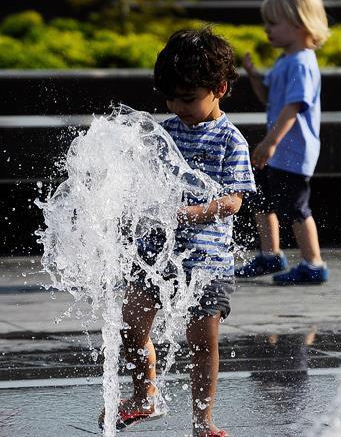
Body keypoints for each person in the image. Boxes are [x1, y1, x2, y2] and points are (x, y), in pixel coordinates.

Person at [99, 28, 256, 437]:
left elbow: (235, 201)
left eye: (187, 98)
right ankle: (145, 393)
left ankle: (203, 422)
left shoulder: (229, 140)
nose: (177, 107)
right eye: (170, 98)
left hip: (206, 262)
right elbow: (141, 181)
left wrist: (191, 213)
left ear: (219, 88)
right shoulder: (163, 132)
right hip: (156, 254)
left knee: (203, 344)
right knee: (131, 324)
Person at [237, 0, 330, 285]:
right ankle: (270, 254)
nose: (267, 30)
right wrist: (254, 78)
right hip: (278, 150)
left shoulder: (302, 63)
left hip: (292, 152)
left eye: (273, 23)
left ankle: (313, 263)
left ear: (299, 23)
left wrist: (270, 143)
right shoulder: (285, 61)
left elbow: (294, 107)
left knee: (295, 207)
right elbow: (270, 100)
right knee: (260, 197)